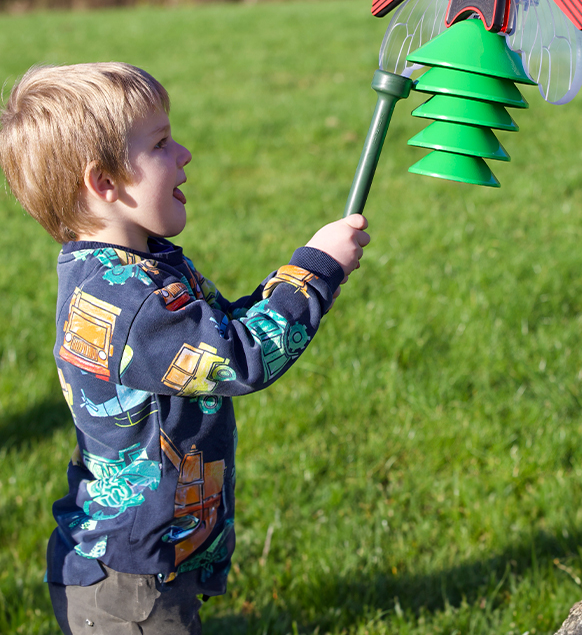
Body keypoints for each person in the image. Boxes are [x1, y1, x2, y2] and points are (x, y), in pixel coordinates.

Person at [0, 61, 369, 635]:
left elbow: (221, 329)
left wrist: (305, 279)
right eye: (162, 144)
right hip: (129, 585)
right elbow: (241, 357)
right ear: (106, 184)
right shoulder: (124, 302)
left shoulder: (138, 265)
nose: (185, 154)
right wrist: (314, 271)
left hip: (145, 563)